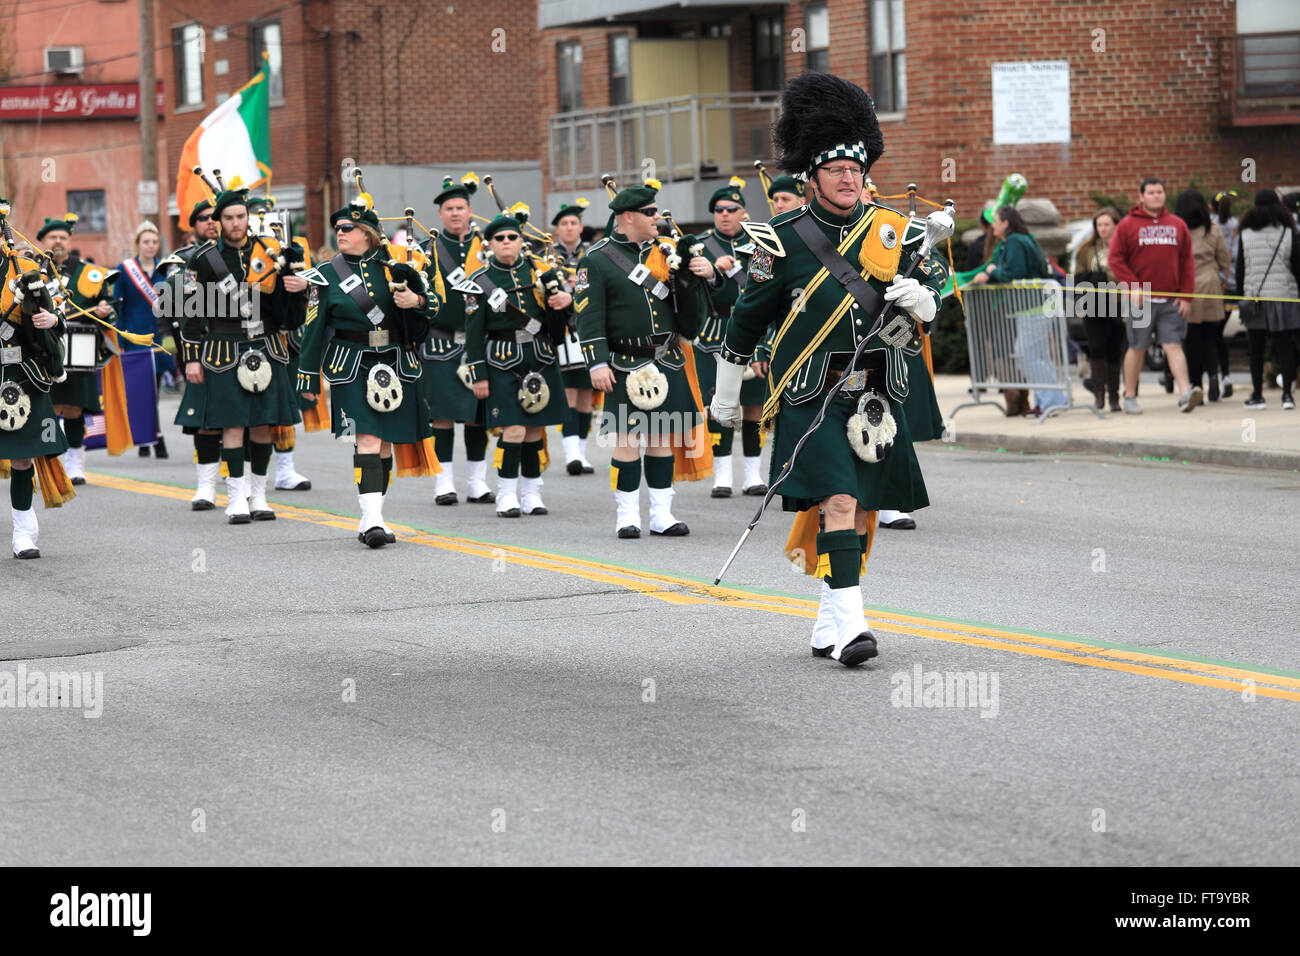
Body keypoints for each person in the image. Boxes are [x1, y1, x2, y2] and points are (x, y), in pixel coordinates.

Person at [712, 72, 947, 666]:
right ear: (812, 176)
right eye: (838, 170)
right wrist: (724, 392)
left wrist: (925, 300)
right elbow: (745, 319)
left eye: (858, 169)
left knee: (863, 509)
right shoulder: (780, 238)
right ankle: (851, 629)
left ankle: (826, 621)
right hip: (812, 393)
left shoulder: (894, 230)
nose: (850, 178)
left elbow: (936, 286)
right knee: (839, 502)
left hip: (876, 393)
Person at [297, 195, 436, 546]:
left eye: (348, 228)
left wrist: (415, 300)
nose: (339, 233)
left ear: (369, 234)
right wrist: (308, 377)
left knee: (385, 442)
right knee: (368, 438)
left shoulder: (397, 266)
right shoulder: (326, 275)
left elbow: (433, 305)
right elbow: (313, 329)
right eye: (338, 229)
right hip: (351, 364)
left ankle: (376, 514)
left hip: (395, 362)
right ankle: (370, 519)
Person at [574, 178, 710, 538]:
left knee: (663, 438)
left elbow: (687, 311)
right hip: (624, 362)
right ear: (628, 216)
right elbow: (588, 316)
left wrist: (691, 277)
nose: (657, 217)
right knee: (628, 440)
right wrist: (596, 362)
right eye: (650, 212)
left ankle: (661, 514)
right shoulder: (598, 259)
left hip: (666, 358)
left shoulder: (667, 252)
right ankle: (627, 514)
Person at [178, 179, 308, 523]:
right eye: (229, 217)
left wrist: (296, 285)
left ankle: (259, 496)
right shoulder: (202, 259)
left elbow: (286, 315)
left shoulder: (268, 253)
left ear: (248, 217)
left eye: (241, 216)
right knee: (232, 425)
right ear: (218, 221)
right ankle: (236, 498)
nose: (236, 223)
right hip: (223, 347)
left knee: (264, 424)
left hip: (266, 344)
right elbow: (190, 309)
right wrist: (191, 356)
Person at [465, 211, 572, 516]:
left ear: (521, 241)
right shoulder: (479, 282)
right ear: (490, 245)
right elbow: (474, 335)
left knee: (536, 430)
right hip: (501, 360)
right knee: (512, 430)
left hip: (539, 356)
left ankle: (532, 493)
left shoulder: (541, 274)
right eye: (500, 238)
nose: (507, 242)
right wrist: (478, 375)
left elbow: (558, 324)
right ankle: (507, 494)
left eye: (513, 237)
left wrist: (559, 296)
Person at [2, 202, 72, 558]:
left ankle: (23, 532)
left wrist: (52, 321)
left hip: (17, 374)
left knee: (21, 457)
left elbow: (56, 314)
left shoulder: (25, 269)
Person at [693, 176, 768, 497]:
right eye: (719, 209)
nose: (724, 214)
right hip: (714, 334)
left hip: (753, 332)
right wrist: (714, 273)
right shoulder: (699, 247)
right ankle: (721, 474)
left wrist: (765, 348)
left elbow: (769, 294)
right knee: (719, 405)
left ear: (743, 212)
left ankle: (753, 474)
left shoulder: (762, 243)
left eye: (731, 208)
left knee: (753, 407)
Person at [421, 174, 493, 505]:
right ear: (440, 214)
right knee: (443, 415)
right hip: (440, 342)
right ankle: (444, 482)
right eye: (448, 208)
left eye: (460, 207)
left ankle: (478, 482)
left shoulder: (487, 247)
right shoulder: (428, 249)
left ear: (470, 211)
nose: (454, 213)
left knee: (477, 414)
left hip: (480, 343)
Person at [1108, 177, 1199, 414]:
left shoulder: (1177, 225)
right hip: (1141, 299)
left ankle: (1185, 392)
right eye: (1151, 192)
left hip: (1171, 299)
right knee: (1137, 347)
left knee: (1173, 345)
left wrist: (1187, 296)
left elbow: (1187, 261)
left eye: (1160, 192)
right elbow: (1115, 259)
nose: (1156, 196)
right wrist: (1133, 286)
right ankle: (1129, 395)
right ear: (1141, 197)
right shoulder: (1128, 225)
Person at [39, 214, 117, 484]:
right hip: (44, 347)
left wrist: (106, 310)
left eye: (62, 236)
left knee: (74, 407)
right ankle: (49, 460)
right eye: (52, 237)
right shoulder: (31, 270)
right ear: (43, 242)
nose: (58, 241)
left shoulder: (88, 272)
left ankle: (75, 462)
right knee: (48, 405)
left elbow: (108, 305)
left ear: (69, 240)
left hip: (81, 346)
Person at [163, 198, 227, 509]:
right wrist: (188, 355)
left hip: (238, 344)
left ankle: (242, 486)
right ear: (194, 225)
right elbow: (183, 310)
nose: (211, 222)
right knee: (206, 420)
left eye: (216, 216)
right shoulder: (185, 261)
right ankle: (206, 486)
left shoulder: (240, 255)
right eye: (203, 218)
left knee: (242, 418)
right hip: (202, 346)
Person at [969, 206, 1060, 414]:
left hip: (1033, 305)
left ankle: (1052, 400)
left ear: (1006, 223)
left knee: (1025, 353)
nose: (993, 225)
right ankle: (1048, 401)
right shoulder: (1016, 240)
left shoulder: (1015, 241)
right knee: (1038, 355)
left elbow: (1014, 272)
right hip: (1035, 304)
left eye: (996, 221)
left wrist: (992, 272)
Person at [1236, 189, 1300, 410]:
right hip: (1284, 296)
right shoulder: (1288, 232)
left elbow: (1241, 269)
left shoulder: (1245, 233)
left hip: (1255, 296)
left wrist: (1240, 298)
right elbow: (1297, 267)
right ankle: (1287, 396)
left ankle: (1257, 395)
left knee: (1256, 348)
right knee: (1285, 347)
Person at [115, 221, 170, 456]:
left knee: (155, 389)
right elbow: (119, 308)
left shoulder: (166, 269)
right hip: (134, 337)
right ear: (138, 244)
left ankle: (150, 436)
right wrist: (120, 342)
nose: (150, 246)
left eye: (154, 242)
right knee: (140, 391)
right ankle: (151, 438)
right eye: (146, 242)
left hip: (159, 338)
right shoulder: (125, 270)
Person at [551, 197, 596, 475]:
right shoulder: (547, 255)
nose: (569, 228)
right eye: (564, 223)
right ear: (557, 228)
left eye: (574, 223)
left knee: (586, 394)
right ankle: (570, 453)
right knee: (568, 390)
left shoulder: (592, 254)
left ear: (581, 227)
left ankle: (581, 449)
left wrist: (577, 289)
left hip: (589, 329)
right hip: (563, 330)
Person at [1173, 190, 1231, 402]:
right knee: (1212, 337)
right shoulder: (1213, 229)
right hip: (1211, 286)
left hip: (1187, 287)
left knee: (1192, 340)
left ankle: (1196, 384)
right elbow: (1224, 260)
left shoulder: (1177, 231)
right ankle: (1214, 375)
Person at [1072, 207, 1126, 411]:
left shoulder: (1124, 247)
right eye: (1099, 225)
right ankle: (1099, 395)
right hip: (1093, 301)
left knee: (1114, 349)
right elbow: (1078, 277)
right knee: (1096, 347)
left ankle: (1114, 397)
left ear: (1116, 225)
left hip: (1118, 302)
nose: (1102, 229)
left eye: (1107, 225)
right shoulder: (1086, 250)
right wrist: (1078, 302)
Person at [1211, 190, 1240, 398]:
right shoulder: (1236, 226)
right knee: (1219, 334)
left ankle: (1214, 377)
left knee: (1210, 335)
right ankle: (1225, 377)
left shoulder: (1209, 225)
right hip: (1232, 287)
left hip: (1212, 286)